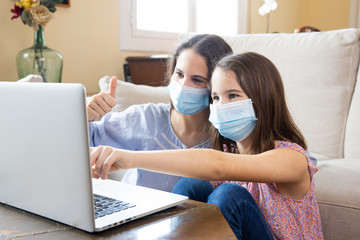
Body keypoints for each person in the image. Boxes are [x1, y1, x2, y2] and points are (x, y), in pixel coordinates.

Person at [90, 52, 324, 239]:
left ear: (262, 99)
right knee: (193, 184)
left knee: (229, 196)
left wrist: (129, 158)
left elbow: (217, 165)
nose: (221, 105)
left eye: (233, 96)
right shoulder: (229, 151)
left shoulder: (292, 158)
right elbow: (210, 167)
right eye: (215, 98)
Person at [88, 34, 233, 192]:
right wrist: (85, 116)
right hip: (137, 212)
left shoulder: (229, 138)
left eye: (197, 80)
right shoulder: (146, 118)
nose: (183, 85)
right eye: (179, 74)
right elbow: (87, 140)